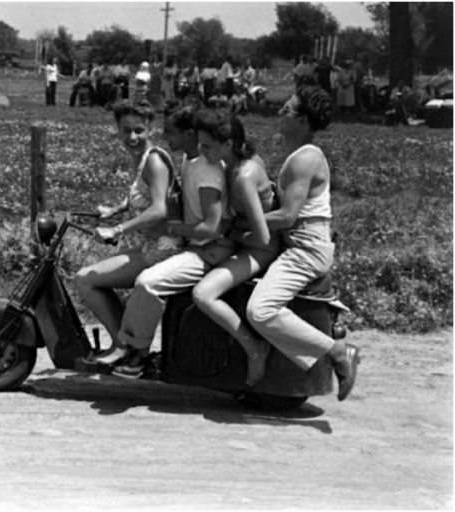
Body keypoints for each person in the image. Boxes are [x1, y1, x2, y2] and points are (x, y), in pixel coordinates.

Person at [246, 85, 359, 401]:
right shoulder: (296, 156)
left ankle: (337, 352)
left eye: (289, 110)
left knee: (260, 309)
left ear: (305, 122)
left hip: (305, 248)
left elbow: (287, 215)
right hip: (297, 244)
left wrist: (237, 223)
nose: (280, 113)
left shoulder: (305, 159)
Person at [110, 106, 234, 377]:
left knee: (147, 282)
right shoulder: (190, 160)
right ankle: (129, 345)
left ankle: (138, 355)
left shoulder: (207, 170)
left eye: (170, 132)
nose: (164, 137)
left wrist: (174, 227)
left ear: (190, 134)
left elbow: (212, 228)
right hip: (194, 246)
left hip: (210, 251)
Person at [75, 100, 183, 366]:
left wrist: (117, 228)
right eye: (126, 130)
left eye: (139, 130)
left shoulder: (154, 161)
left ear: (150, 129)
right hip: (152, 244)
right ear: (117, 130)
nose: (132, 137)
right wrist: (116, 208)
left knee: (85, 280)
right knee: (89, 277)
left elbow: (158, 209)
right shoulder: (141, 159)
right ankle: (124, 341)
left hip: (165, 247)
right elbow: (143, 197)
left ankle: (123, 345)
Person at [191, 109, 278, 386]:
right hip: (241, 240)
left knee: (203, 294)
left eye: (206, 146)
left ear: (228, 144)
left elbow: (262, 237)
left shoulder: (244, 175)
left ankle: (254, 349)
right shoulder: (232, 163)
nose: (201, 151)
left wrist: (229, 232)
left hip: (258, 249)